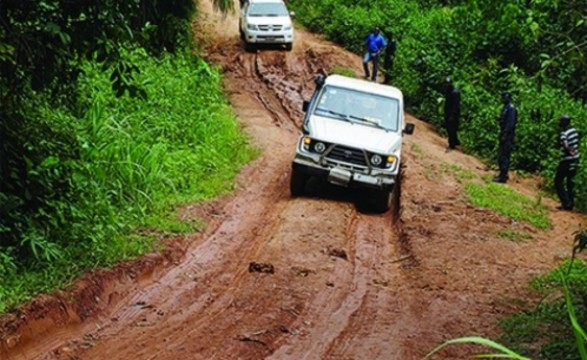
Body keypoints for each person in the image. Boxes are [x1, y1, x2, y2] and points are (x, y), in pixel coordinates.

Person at [554, 114, 580, 210]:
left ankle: (566, 202)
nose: (559, 123)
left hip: (567, 160)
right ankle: (571, 203)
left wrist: (569, 150)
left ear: (565, 122)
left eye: (560, 121)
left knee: (558, 181)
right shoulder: (574, 131)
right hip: (576, 159)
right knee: (570, 182)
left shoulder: (563, 133)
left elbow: (565, 144)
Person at [493, 91, 517, 183]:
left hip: (507, 135)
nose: (502, 99)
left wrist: (505, 134)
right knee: (502, 155)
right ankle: (503, 174)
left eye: (504, 97)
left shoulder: (511, 108)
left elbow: (510, 124)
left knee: (503, 155)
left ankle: (503, 176)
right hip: (504, 133)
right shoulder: (506, 107)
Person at [444, 77, 461, 151]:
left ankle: (452, 143)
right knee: (449, 127)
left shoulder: (455, 92)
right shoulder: (448, 91)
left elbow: (455, 106)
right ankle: (454, 141)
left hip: (453, 113)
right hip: (448, 112)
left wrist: (452, 115)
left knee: (452, 128)